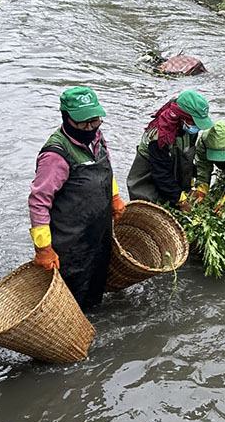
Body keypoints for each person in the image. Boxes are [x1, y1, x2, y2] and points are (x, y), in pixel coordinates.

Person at [28, 87, 126, 311]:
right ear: (66, 118)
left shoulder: (97, 138)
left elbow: (106, 170)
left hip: (99, 232)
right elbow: (38, 202)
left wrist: (115, 197)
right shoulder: (55, 155)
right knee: (73, 298)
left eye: (95, 120)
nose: (90, 127)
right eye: (83, 123)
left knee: (97, 287)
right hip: (72, 243)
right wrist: (43, 248)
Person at [126, 90, 213, 209]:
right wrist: (179, 199)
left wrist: (191, 182)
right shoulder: (159, 136)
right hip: (149, 179)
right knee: (150, 210)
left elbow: (188, 158)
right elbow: (161, 173)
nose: (197, 127)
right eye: (195, 122)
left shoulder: (189, 131)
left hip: (171, 175)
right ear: (182, 117)